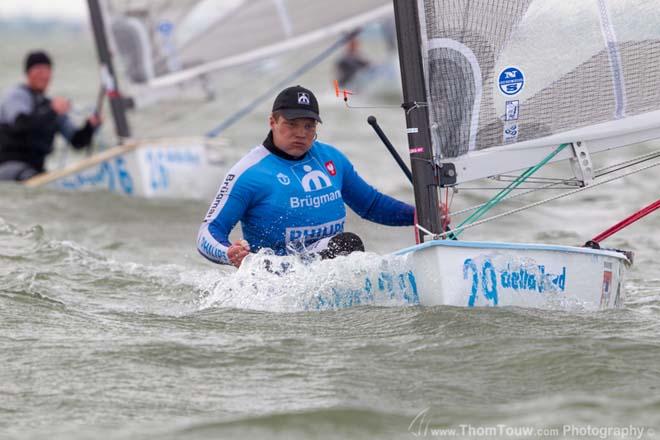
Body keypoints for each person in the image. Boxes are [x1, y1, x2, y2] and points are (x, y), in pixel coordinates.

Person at [197, 85, 416, 268]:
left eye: (309, 126)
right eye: (291, 124)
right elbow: (208, 232)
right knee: (347, 244)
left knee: (346, 247)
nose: (301, 133)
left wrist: (418, 215)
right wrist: (229, 253)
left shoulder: (331, 158)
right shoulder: (249, 173)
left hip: (326, 268)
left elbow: (371, 205)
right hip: (275, 281)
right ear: (272, 122)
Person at [0, 50, 101, 181]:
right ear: (28, 73)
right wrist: (52, 111)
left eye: (47, 70)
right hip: (8, 167)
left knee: (40, 177)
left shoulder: (51, 106)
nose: (44, 75)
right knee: (29, 175)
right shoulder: (16, 96)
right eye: (39, 70)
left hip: (35, 171)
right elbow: (21, 125)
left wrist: (90, 126)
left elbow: (77, 142)